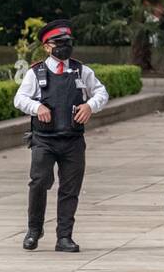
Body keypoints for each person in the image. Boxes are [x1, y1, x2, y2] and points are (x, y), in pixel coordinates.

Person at [13, 20, 108, 252]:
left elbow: (101, 92)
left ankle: (64, 237)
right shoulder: (36, 72)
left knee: (70, 188)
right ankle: (34, 230)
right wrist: (37, 108)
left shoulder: (80, 70)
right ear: (47, 47)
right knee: (39, 182)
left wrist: (90, 106)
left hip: (73, 140)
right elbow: (20, 99)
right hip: (44, 140)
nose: (64, 47)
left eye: (68, 43)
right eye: (59, 43)